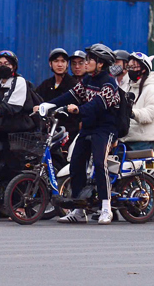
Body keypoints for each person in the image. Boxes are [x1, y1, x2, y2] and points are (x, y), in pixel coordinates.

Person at [49, 44, 121, 225]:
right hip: (88, 128)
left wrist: (77, 110)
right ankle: (79, 211)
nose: (85, 62)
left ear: (101, 64)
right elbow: (70, 95)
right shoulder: (88, 80)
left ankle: (106, 208)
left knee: (99, 163)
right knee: (76, 164)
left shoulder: (109, 83)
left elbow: (97, 105)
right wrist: (47, 104)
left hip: (105, 128)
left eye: (90, 60)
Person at [122, 53, 154, 150]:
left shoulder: (152, 89)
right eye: (129, 67)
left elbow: (150, 113)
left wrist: (132, 113)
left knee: (137, 165)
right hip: (127, 138)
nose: (130, 70)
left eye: (134, 67)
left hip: (144, 140)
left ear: (144, 69)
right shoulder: (129, 86)